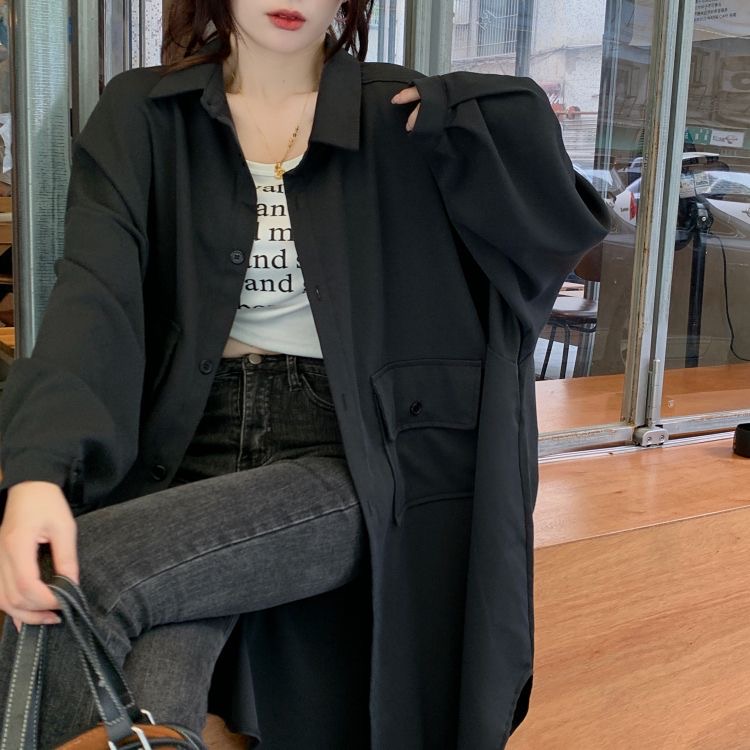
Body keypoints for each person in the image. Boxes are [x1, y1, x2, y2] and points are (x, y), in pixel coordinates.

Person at [0, 0, 610, 748]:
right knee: (145, 692)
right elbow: (94, 296)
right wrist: (39, 472)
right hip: (185, 444)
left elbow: (554, 225)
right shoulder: (144, 113)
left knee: (84, 577)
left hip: (346, 454)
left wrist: (477, 119)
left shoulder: (401, 115)